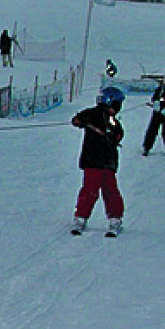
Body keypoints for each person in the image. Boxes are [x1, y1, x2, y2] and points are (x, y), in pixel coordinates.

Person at [70, 86, 127, 236]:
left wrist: (113, 136)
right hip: (92, 159)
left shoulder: (113, 121)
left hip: (107, 161)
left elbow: (119, 135)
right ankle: (81, 217)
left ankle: (115, 218)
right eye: (117, 104)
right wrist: (81, 121)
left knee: (110, 190)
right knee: (89, 189)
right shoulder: (93, 114)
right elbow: (77, 120)